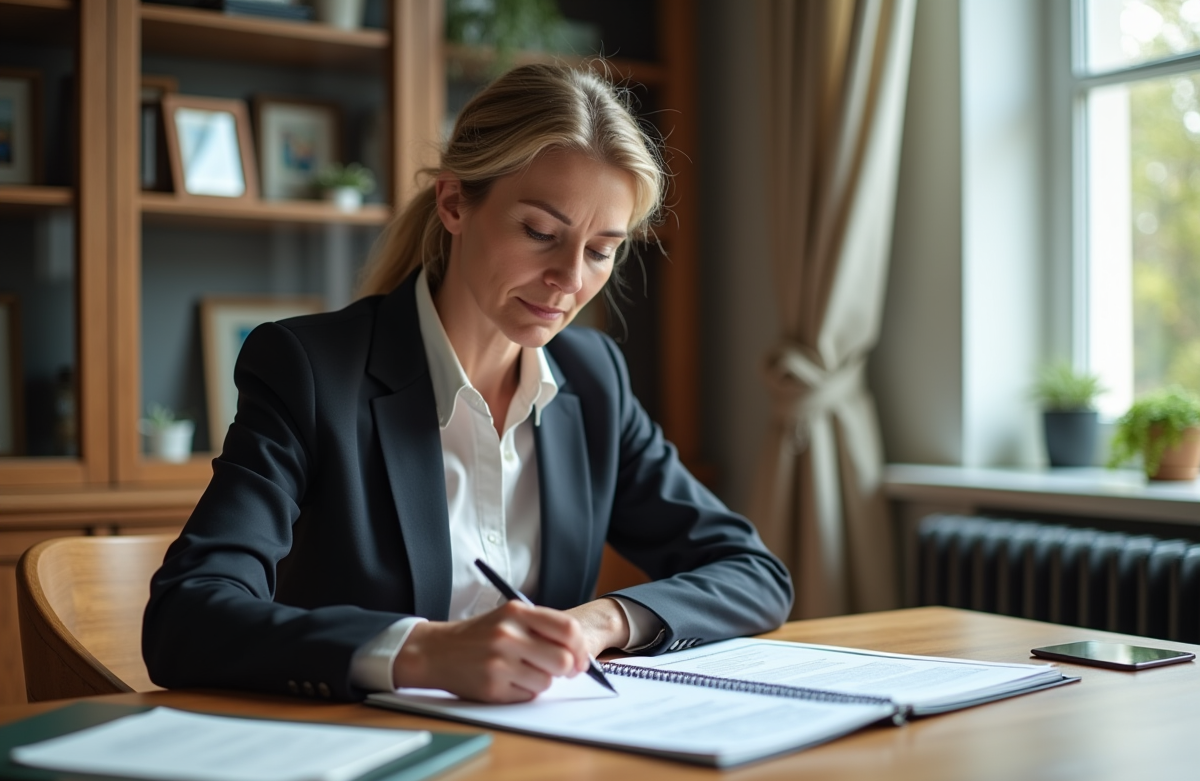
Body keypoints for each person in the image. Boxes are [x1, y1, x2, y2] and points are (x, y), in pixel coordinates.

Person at [142, 63, 792, 704]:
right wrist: (421, 652)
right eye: (540, 232)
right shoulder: (308, 370)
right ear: (454, 204)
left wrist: (601, 622)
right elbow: (187, 617)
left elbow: (754, 574)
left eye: (600, 250)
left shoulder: (594, 380)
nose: (570, 280)